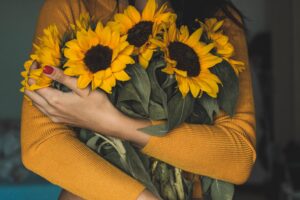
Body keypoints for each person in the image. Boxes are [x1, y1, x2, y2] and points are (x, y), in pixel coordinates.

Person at [21, 0, 256, 199]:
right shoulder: (72, 6)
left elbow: (239, 156)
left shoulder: (218, 19)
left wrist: (115, 124)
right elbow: (42, 145)